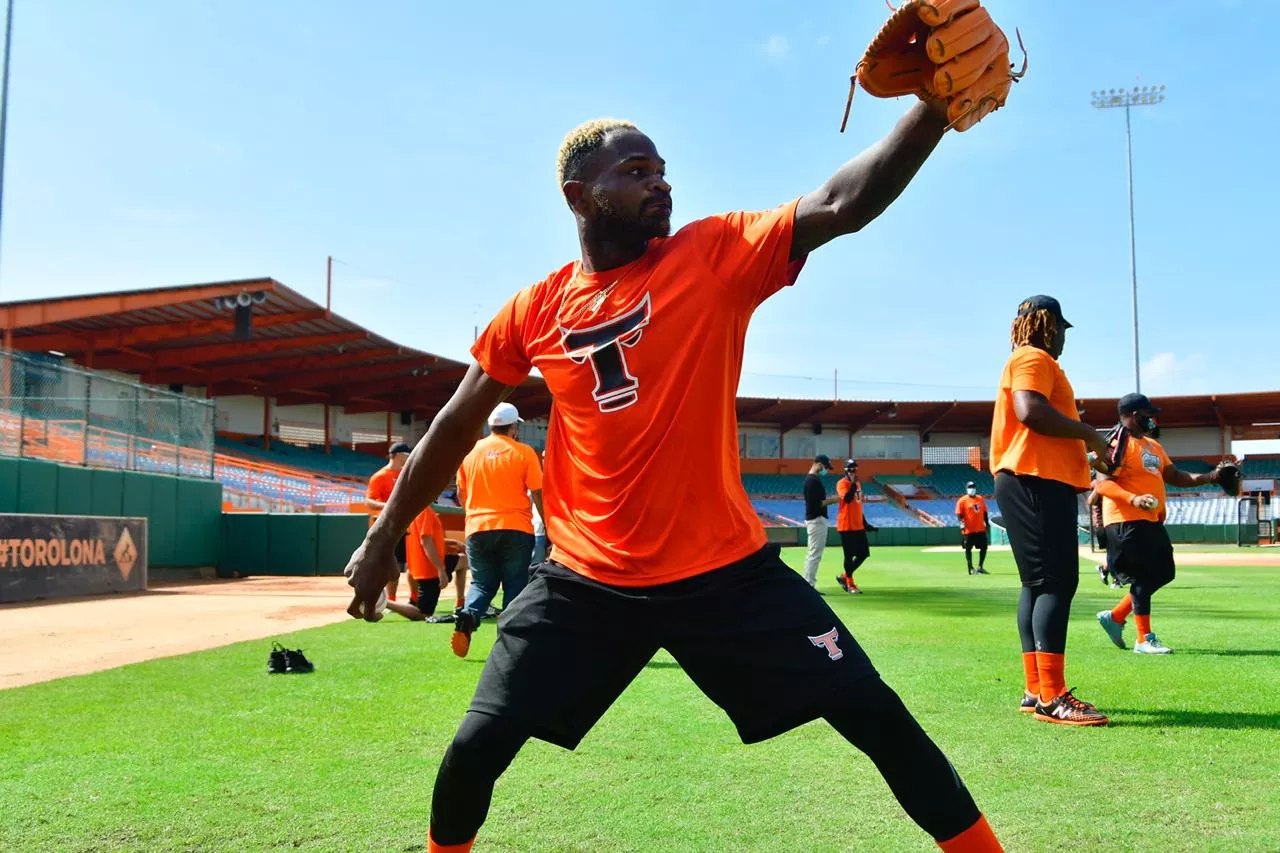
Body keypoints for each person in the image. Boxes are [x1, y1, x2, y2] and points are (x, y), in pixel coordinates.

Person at [347, 101, 1004, 851]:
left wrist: (935, 111)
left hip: (725, 571)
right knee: (475, 749)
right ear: (576, 195)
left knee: (880, 719)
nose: (660, 185)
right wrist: (382, 534)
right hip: (587, 579)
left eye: (663, 172)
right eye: (636, 172)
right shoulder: (532, 310)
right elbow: (454, 424)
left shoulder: (714, 253)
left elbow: (840, 204)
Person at [990, 295, 1112, 726]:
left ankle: (1036, 689)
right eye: (1061, 328)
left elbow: (1042, 425)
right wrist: (1091, 434)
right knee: (1057, 581)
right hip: (1035, 481)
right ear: (1047, 324)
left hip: (1029, 477)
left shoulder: (1027, 358)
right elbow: (1030, 412)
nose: (1063, 338)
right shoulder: (1034, 357)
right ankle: (1053, 697)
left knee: (1037, 584)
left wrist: (1087, 450)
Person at [1093, 393, 1226, 654]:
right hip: (1126, 518)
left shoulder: (1153, 446)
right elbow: (1102, 483)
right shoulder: (1116, 442)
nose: (1152, 419)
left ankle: (1117, 616)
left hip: (1149, 519)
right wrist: (1134, 499)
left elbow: (1174, 475)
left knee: (1165, 571)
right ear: (1133, 415)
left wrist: (1211, 476)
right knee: (1144, 575)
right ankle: (1144, 639)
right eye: (1147, 414)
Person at [452, 402, 544, 657]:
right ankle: (508, 642)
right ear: (513, 427)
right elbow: (537, 491)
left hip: (477, 528)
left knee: (481, 583)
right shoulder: (524, 453)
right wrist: (547, 523)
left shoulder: (470, 454)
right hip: (516, 528)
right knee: (515, 585)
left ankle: (469, 616)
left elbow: (461, 494)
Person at [386, 504, 453, 621]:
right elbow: (426, 542)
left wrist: (452, 543)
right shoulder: (425, 511)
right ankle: (383, 602)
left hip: (421, 566)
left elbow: (428, 539)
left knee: (463, 560)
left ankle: (462, 603)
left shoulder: (416, 510)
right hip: (428, 569)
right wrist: (441, 570)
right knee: (423, 615)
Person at [367, 442, 412, 603]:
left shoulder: (405, 474)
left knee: (410, 563)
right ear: (397, 455)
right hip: (386, 527)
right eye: (406, 454)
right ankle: (389, 600)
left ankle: (414, 599)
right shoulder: (380, 476)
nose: (408, 457)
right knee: (388, 565)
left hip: (405, 524)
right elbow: (370, 502)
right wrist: (388, 506)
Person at [835, 459, 877, 594]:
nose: (853, 472)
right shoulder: (842, 483)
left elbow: (858, 506)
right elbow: (847, 499)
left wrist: (865, 524)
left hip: (858, 525)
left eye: (855, 469)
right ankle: (850, 584)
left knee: (864, 553)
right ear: (846, 470)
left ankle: (844, 576)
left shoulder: (858, 483)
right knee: (848, 555)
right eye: (850, 469)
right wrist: (852, 484)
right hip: (846, 525)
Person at [802, 455, 839, 588]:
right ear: (818, 464)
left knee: (813, 553)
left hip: (815, 520)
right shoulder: (812, 481)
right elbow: (816, 504)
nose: (826, 470)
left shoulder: (812, 480)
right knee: (814, 554)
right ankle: (809, 584)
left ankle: (808, 583)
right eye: (825, 467)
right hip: (816, 520)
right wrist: (835, 499)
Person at [955, 481, 990, 575]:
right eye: (970, 487)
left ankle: (980, 567)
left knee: (984, 547)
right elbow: (959, 513)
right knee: (968, 548)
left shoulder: (980, 498)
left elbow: (985, 512)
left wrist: (987, 523)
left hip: (980, 529)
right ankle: (970, 568)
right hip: (968, 530)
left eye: (973, 487)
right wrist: (961, 522)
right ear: (966, 489)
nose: (972, 488)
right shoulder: (962, 500)